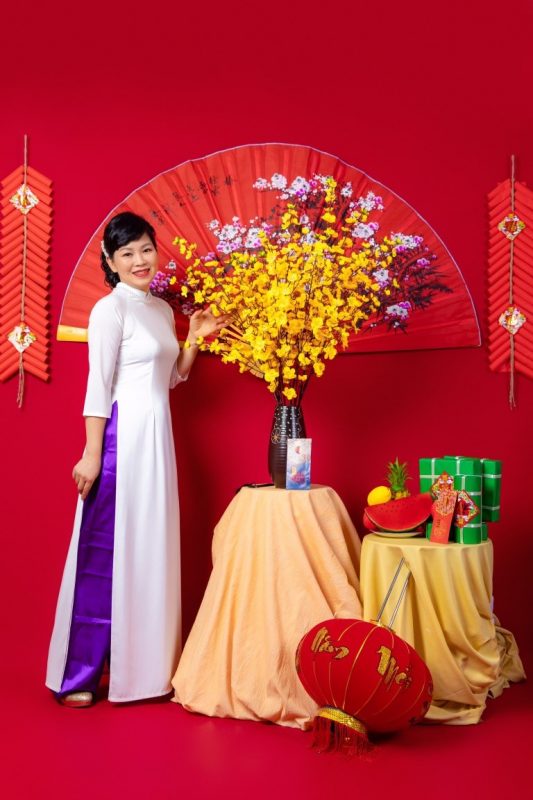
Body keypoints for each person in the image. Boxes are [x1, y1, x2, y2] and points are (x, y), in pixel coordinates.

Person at [45, 211, 228, 707]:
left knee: (148, 548)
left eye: (146, 249)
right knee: (103, 553)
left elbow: (171, 378)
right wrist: (91, 454)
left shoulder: (162, 310)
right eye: (127, 253)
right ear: (110, 261)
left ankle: (145, 672)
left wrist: (195, 338)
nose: (140, 260)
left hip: (157, 443)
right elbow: (98, 385)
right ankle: (79, 676)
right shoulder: (110, 310)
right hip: (119, 442)